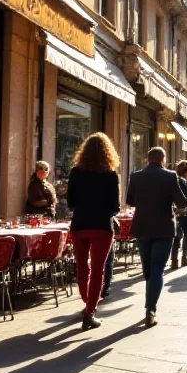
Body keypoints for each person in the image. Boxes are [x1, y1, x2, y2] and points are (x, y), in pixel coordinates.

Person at [127, 147, 187, 327]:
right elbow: (182, 202)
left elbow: (130, 201)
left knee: (148, 269)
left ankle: (150, 302)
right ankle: (151, 308)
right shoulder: (170, 176)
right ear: (163, 159)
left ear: (147, 159)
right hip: (164, 227)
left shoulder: (136, 176)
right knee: (157, 268)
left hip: (142, 226)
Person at [67, 133, 121, 331]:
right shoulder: (111, 174)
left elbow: (70, 202)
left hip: (79, 224)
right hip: (101, 226)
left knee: (82, 266)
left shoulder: (75, 172)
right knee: (98, 268)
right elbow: (115, 206)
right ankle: (90, 311)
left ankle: (87, 302)